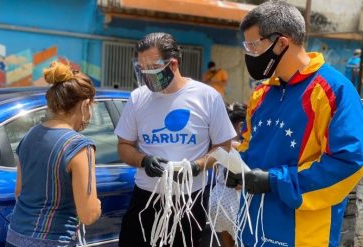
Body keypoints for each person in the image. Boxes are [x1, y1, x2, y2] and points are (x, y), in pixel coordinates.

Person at [226, 1, 363, 247]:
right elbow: (248, 145)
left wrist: (274, 180)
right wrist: (236, 169)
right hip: (252, 230)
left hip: (304, 236)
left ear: (281, 43)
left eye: (254, 46)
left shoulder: (333, 90)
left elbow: (350, 162)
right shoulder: (261, 94)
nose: (249, 55)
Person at [115, 32, 236, 247]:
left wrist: (198, 166)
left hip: (188, 203)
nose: (147, 73)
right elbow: (124, 146)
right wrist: (144, 161)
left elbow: (224, 147)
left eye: (153, 67)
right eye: (142, 68)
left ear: (173, 64)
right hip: (145, 200)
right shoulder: (138, 98)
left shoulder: (207, 97)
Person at [6, 62, 101, 247]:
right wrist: (96, 205)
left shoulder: (30, 135)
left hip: (15, 237)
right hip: (54, 240)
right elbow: (88, 215)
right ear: (85, 104)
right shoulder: (80, 146)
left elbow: (19, 191)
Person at [209, 102, 247, 247]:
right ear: (240, 125)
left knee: (227, 244)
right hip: (236, 203)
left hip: (218, 199)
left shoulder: (220, 145)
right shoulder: (240, 147)